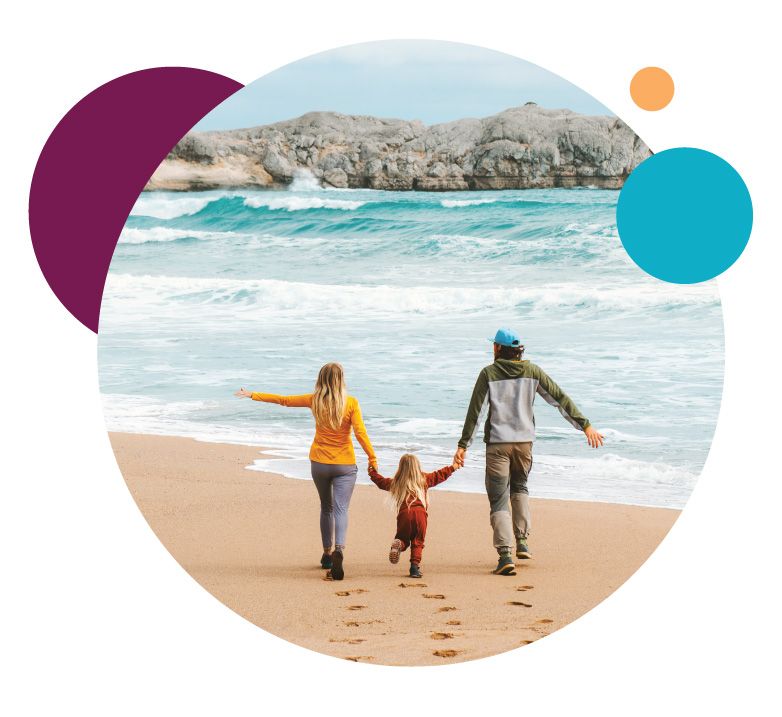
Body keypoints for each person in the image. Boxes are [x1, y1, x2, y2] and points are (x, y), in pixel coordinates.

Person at [453, 328, 604, 576]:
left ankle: (505, 555)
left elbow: (476, 412)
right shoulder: (532, 371)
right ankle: (522, 540)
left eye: (493, 345)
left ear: (498, 349)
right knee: (520, 487)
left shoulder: (488, 374)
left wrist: (463, 446)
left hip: (498, 446)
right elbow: (559, 398)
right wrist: (585, 425)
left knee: (499, 498)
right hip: (524, 445)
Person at [235, 362, 376, 581]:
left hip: (319, 463)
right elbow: (360, 433)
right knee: (341, 509)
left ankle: (327, 555)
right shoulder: (351, 403)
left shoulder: (315, 400)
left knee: (326, 508)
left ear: (321, 379)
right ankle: (339, 549)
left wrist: (253, 394)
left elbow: (284, 400)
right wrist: (372, 457)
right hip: (345, 465)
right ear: (341, 380)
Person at [368, 454, 459, 578]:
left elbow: (381, 482)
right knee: (418, 541)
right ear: (417, 467)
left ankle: (399, 543)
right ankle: (414, 568)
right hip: (420, 514)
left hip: (404, 515)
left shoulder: (396, 482)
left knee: (403, 538)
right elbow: (440, 475)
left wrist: (372, 471)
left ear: (400, 468)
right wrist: (454, 466)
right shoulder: (424, 479)